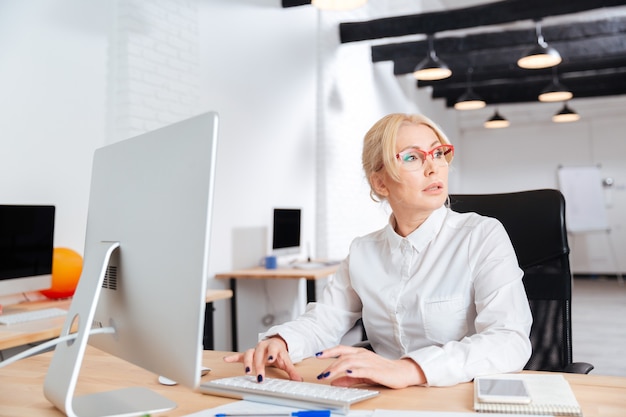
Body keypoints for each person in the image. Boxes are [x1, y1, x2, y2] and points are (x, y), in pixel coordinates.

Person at [224, 113, 532, 388]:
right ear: (381, 183)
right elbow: (326, 319)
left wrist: (410, 369)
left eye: (438, 153)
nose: (433, 167)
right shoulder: (363, 251)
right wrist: (283, 340)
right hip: (380, 399)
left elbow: (509, 340)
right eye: (412, 157)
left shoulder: (481, 235)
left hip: (454, 397)